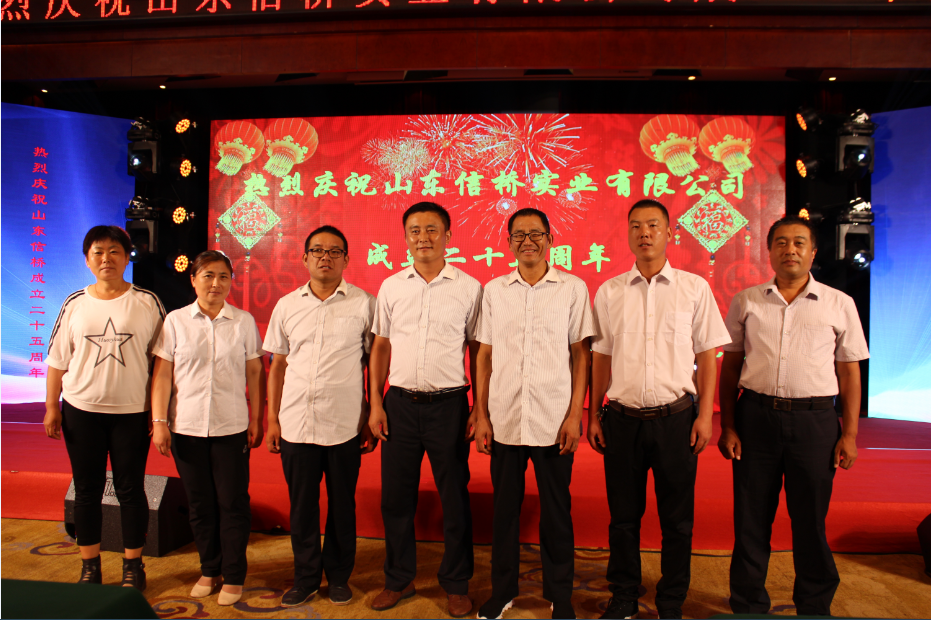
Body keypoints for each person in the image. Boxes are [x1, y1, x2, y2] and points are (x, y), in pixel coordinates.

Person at [718, 215, 869, 616]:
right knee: (751, 519)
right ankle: (748, 605)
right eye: (781, 242)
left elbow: (849, 372)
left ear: (813, 252)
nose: (790, 250)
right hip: (756, 419)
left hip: (815, 423)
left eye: (799, 243)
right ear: (768, 251)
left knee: (810, 521)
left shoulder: (839, 303)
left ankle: (814, 605)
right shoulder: (747, 301)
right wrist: (728, 425)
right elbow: (730, 367)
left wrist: (850, 434)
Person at [588, 199, 730, 620]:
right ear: (628, 234)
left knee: (677, 520)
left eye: (653, 225)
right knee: (623, 518)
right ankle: (624, 595)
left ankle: (671, 601)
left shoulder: (693, 288)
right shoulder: (610, 291)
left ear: (670, 233)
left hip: (677, 420)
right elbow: (601, 357)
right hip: (622, 420)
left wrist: (704, 416)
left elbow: (708, 355)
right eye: (636, 226)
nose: (644, 233)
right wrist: (593, 413)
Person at [472, 208, 594, 620]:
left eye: (536, 234)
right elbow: (484, 355)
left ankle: (560, 596)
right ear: (508, 242)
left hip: (553, 419)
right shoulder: (495, 291)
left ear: (550, 240)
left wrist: (575, 415)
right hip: (505, 418)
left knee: (557, 512)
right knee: (504, 512)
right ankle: (502, 591)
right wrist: (481, 414)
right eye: (519, 235)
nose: (528, 241)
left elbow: (580, 355)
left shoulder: (573, 288)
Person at [368, 202, 482, 618]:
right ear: (405, 237)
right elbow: (381, 346)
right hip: (399, 404)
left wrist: (479, 407)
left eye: (432, 229)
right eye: (415, 230)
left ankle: (456, 583)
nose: (423, 237)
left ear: (448, 236)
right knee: (396, 499)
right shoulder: (392, 286)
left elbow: (478, 350)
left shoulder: (469, 287)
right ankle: (399, 578)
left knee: (454, 498)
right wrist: (375, 402)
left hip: (449, 406)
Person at [43, 225, 165, 590]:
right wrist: (52, 406)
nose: (106, 258)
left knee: (130, 489)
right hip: (81, 411)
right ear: (87, 260)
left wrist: (158, 411)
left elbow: (163, 361)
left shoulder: (147, 302)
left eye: (114, 251)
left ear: (127, 258)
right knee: (86, 489)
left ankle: (133, 566)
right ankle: (89, 567)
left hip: (132, 412)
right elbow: (57, 360)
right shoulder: (74, 303)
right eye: (98, 252)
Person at [264, 225, 377, 607]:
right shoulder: (287, 305)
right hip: (296, 423)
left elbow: (374, 364)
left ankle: (339, 577)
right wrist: (273, 419)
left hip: (344, 423)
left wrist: (370, 411)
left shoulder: (365, 304)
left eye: (334, 251)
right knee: (302, 508)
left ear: (346, 259)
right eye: (317, 250)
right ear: (305, 258)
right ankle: (306, 577)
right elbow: (278, 366)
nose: (325, 257)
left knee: (343, 506)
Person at [150, 250, 266, 606]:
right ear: (193, 279)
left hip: (231, 427)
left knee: (233, 502)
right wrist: (159, 422)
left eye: (223, 277)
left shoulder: (243, 321)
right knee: (200, 503)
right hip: (186, 427)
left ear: (231, 281)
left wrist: (257, 418)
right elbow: (163, 375)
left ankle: (234, 574)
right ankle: (209, 568)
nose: (216, 283)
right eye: (208, 276)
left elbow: (255, 371)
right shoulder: (176, 321)